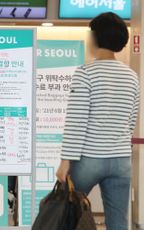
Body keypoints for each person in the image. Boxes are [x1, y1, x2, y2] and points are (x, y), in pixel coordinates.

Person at [56, 12, 140, 230]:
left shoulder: (85, 73)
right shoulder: (132, 77)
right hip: (121, 160)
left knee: (67, 211)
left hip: (90, 159)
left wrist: (65, 161)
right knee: (118, 221)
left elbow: (76, 120)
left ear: (95, 37)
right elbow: (131, 119)